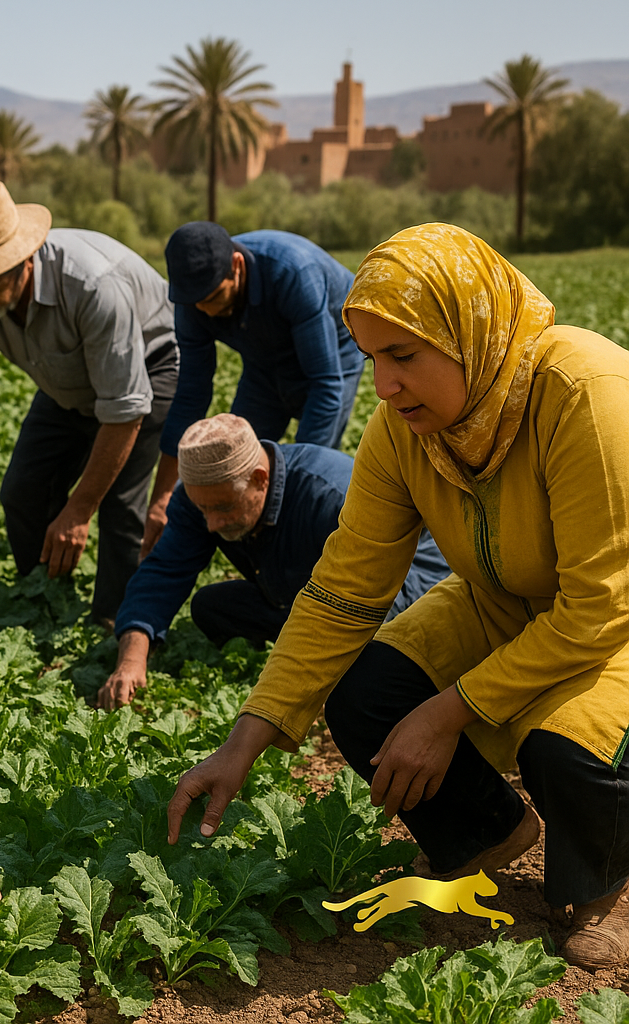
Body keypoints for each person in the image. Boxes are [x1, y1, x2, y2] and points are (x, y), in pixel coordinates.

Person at [167, 223, 629, 971]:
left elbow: (599, 610)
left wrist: (451, 711)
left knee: (566, 748)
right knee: (364, 696)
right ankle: (489, 834)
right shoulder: (405, 431)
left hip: (614, 626)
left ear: (468, 333)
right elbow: (343, 589)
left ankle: (597, 884)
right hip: (501, 602)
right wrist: (243, 741)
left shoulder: (584, 395)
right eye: (373, 357)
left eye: (404, 356)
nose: (381, 385)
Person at [0, 180, 178, 624]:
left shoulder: (93, 285)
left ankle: (118, 621)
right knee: (23, 491)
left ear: (22, 262)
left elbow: (124, 409)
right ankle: (43, 593)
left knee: (119, 505)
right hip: (65, 382)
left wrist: (78, 509)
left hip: (148, 370)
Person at [97, 414, 450, 710]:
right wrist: (131, 658)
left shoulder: (331, 496)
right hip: (307, 595)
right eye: (202, 509)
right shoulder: (206, 495)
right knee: (211, 608)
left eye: (222, 508)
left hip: (405, 586)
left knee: (372, 656)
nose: (212, 525)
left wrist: (299, 683)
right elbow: (164, 571)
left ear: (259, 479)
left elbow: (375, 592)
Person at [141, 222, 363, 555]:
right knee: (234, 458)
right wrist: (163, 495)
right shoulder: (195, 300)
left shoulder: (292, 272)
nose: (207, 311)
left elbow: (325, 383)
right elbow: (190, 392)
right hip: (263, 363)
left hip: (331, 351)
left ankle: (305, 558)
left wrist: (298, 484)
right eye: (197, 303)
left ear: (237, 266)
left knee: (306, 473)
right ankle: (255, 561)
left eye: (215, 296)